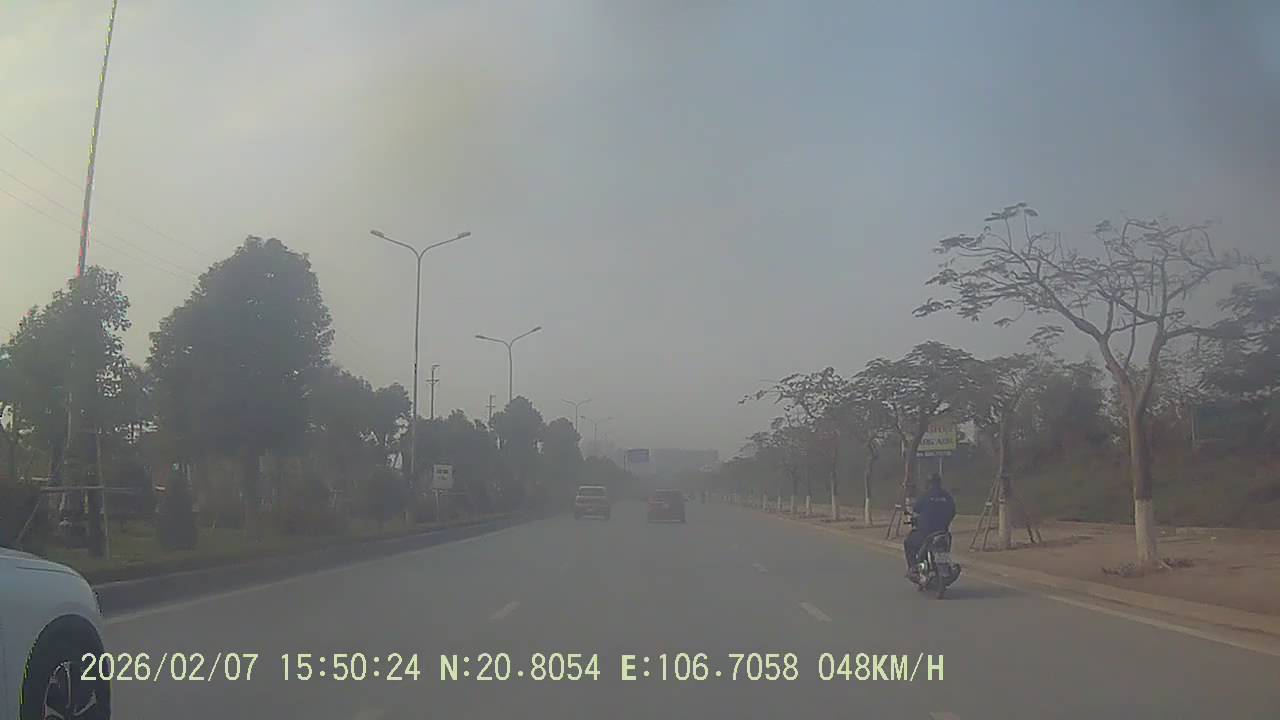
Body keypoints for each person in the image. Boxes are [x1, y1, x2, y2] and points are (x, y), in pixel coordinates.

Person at [903, 472, 956, 579]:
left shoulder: (925, 496)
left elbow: (916, 511)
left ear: (928, 483)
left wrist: (915, 520)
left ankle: (913, 568)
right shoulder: (947, 496)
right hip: (943, 532)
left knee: (908, 543)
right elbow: (953, 511)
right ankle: (945, 568)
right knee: (943, 549)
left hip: (926, 532)